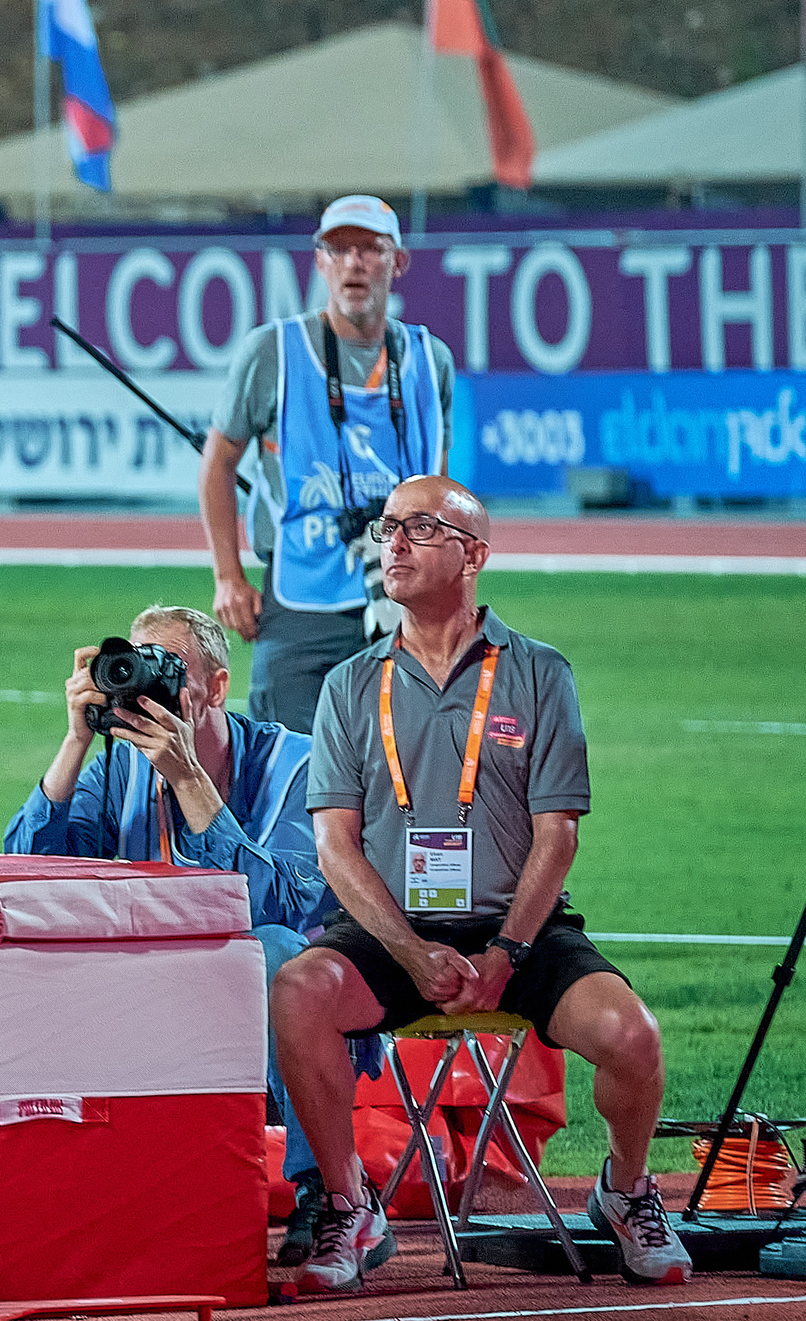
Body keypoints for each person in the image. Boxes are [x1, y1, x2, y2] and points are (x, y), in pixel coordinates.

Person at [270, 476, 689, 1294]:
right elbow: (335, 847)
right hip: (395, 934)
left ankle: (626, 1190)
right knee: (297, 989)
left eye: (419, 527)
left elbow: (557, 835)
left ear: (475, 555)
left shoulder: (537, 673)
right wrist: (413, 951)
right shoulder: (351, 684)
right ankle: (350, 1204)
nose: (393, 541)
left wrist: (505, 950)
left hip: (519, 930)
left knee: (634, 1036)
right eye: (387, 527)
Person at [1, 604, 339, 1265]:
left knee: (276, 951)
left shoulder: (295, 766)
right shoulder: (120, 766)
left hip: (283, 1008)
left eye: (169, 669)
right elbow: (29, 867)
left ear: (215, 687)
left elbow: (283, 902)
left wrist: (188, 778)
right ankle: (59, 1184)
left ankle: (323, 1190)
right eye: (138, 664)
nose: (147, 684)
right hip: (153, 990)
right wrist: (75, 740)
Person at [198, 195, 453, 736]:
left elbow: (443, 488)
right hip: (299, 602)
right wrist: (228, 576)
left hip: (405, 600)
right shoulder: (274, 352)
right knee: (291, 780)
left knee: (404, 781)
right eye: (338, 249)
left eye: (370, 248)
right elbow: (218, 464)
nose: (353, 262)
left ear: (398, 261)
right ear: (319, 261)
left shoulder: (432, 362)